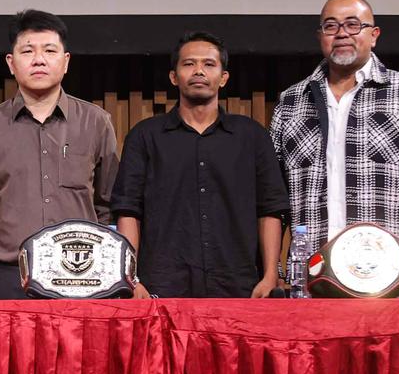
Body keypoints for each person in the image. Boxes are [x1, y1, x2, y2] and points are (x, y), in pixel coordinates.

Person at [271, 0, 399, 296]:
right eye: (331, 26)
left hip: (392, 279)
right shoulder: (291, 102)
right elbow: (273, 198)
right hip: (311, 280)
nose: (342, 33)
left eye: (353, 24)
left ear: (374, 36)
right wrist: (276, 271)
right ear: (321, 36)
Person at [111, 32, 288, 298]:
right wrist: (131, 279)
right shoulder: (145, 136)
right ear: (173, 76)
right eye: (189, 64)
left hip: (240, 285)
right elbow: (128, 210)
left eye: (209, 64)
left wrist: (270, 276)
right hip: (162, 284)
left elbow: (270, 208)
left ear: (224, 77)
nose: (198, 71)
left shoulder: (252, 136)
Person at [0, 9, 119, 300]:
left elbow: (108, 204)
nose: (39, 59)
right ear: (11, 63)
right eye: (28, 51)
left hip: (80, 274)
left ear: (66, 61)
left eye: (49, 50)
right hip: (7, 276)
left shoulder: (96, 122)